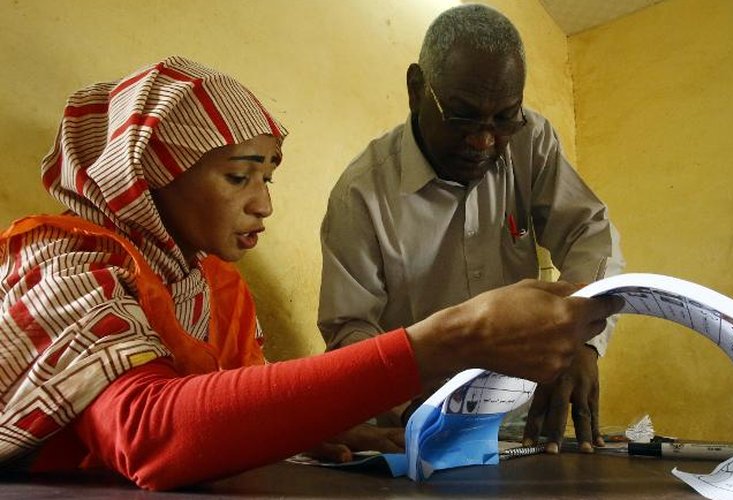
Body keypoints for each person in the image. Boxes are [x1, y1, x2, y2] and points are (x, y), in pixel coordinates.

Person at [0, 57, 620, 491]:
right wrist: (447, 340)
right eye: (239, 176)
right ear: (146, 173)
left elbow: (227, 412)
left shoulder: (215, 289)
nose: (264, 204)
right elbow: (148, 434)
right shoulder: (63, 260)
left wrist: (305, 426)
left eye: (267, 177)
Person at [318, 4, 624, 452]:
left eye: (504, 118)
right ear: (416, 89)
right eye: (462, 116)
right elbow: (350, 331)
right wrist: (418, 416)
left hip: (524, 423)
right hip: (413, 426)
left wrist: (583, 339)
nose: (484, 140)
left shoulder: (529, 140)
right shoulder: (361, 195)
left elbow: (588, 232)